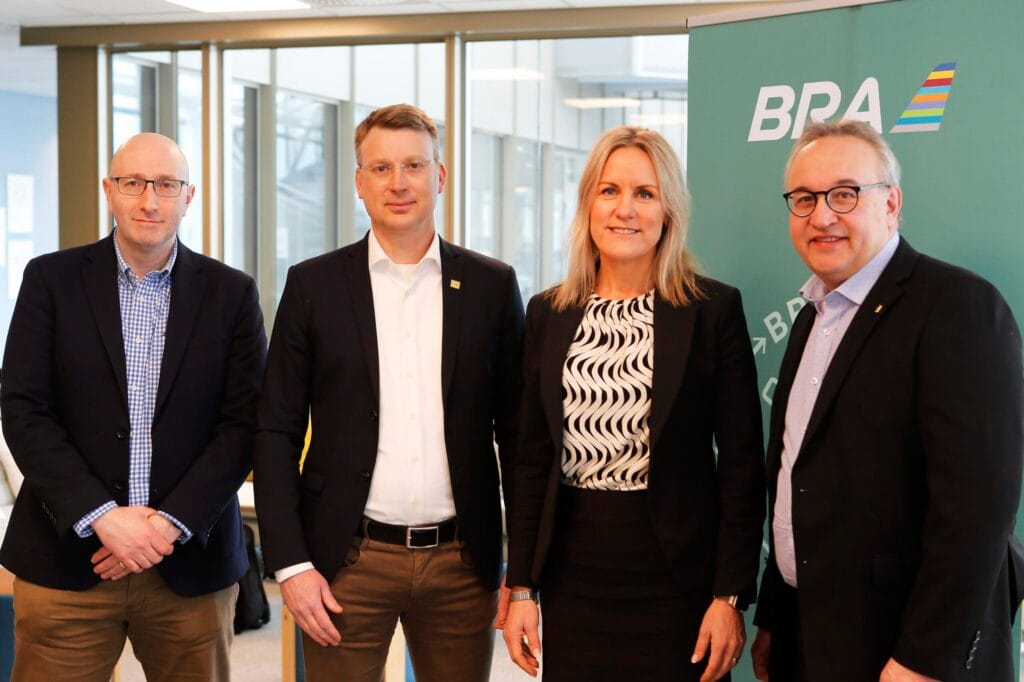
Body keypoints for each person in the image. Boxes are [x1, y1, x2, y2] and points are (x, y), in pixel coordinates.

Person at [254, 103, 524, 682]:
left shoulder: (491, 286)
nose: (398, 183)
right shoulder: (312, 285)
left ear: (440, 176)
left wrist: (521, 571)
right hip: (344, 561)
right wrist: (292, 564)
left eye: (413, 166)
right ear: (359, 182)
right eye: (380, 168)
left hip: (461, 562)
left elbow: (522, 438)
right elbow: (274, 431)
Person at [750, 119, 1024, 682]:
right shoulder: (811, 319)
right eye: (804, 199)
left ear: (892, 203)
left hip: (904, 651)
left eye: (845, 194)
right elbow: (796, 478)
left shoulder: (958, 307)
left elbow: (978, 509)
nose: (822, 215)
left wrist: (924, 658)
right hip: (812, 635)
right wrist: (776, 617)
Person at [500, 126, 765, 681]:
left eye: (645, 193)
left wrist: (730, 596)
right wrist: (521, 585)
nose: (626, 209)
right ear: (587, 204)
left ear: (669, 208)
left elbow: (742, 464)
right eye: (609, 190)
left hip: (677, 581)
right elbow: (531, 460)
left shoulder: (712, 309)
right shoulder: (548, 312)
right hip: (573, 576)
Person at [0, 132, 268, 682]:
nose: (149, 200)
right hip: (64, 564)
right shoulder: (50, 280)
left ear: (188, 196)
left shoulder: (231, 294)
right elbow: (24, 409)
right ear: (109, 191)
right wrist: (102, 518)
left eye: (166, 185)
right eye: (133, 183)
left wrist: (167, 526)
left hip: (189, 569)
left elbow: (244, 424)